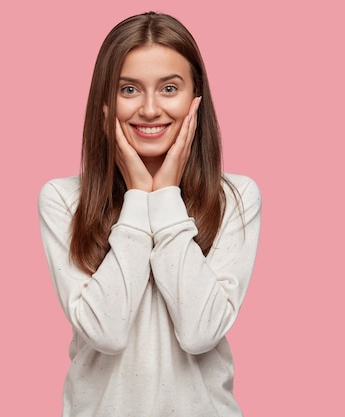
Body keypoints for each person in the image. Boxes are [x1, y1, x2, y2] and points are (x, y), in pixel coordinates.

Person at [38, 11, 261, 417]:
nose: (150, 109)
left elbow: (200, 332)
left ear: (196, 98)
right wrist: (139, 196)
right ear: (105, 100)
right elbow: (106, 331)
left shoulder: (236, 197)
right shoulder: (63, 199)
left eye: (170, 88)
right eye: (129, 89)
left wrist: (167, 197)